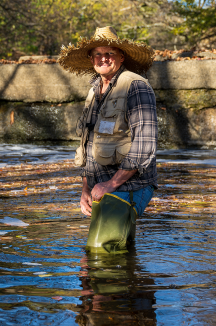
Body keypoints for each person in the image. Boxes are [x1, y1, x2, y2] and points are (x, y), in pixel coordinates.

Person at [58, 26, 158, 227]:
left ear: (121, 57)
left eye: (109, 53)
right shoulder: (94, 90)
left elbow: (145, 145)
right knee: (116, 253)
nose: (103, 58)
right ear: (91, 59)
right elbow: (88, 145)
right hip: (101, 188)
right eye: (97, 54)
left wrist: (111, 184)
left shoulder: (136, 86)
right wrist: (86, 188)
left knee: (99, 251)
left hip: (129, 186)